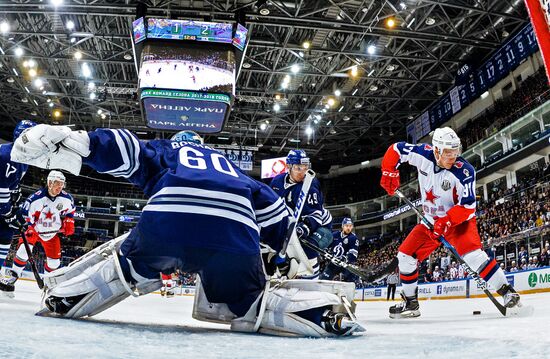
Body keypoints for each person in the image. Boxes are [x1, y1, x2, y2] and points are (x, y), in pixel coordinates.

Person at [10, 126, 363, 337]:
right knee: (252, 301)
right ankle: (321, 314)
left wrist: (83, 142)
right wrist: (289, 256)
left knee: (125, 264)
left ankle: (66, 298)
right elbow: (275, 216)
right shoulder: (234, 171)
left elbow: (127, 149)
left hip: (170, 221)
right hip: (235, 233)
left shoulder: (168, 150)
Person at [380, 127, 520, 318]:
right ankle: (411, 304)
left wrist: (447, 221)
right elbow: (396, 149)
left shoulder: (465, 171)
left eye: (455, 151)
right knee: (405, 257)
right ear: (436, 150)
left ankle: (508, 292)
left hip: (457, 221)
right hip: (430, 220)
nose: (453, 156)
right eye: (448, 152)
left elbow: (468, 206)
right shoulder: (423, 154)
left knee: (473, 257)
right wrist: (389, 172)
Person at [0, 170, 75, 295]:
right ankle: (13, 278)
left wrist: (69, 220)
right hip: (35, 230)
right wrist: (27, 227)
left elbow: (71, 211)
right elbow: (24, 216)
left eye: (62, 184)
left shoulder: (67, 198)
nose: (60, 187)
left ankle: (48, 285)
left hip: (52, 233)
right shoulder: (35, 199)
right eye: (57, 183)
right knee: (23, 251)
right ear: (49, 182)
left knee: (54, 263)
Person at [270, 149, 333, 278]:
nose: (303, 172)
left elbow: (315, 217)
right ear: (289, 167)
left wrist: (302, 229)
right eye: (299, 168)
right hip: (293, 223)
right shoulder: (277, 182)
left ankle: (312, 280)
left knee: (307, 249)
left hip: (321, 226)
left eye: (305, 167)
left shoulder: (310, 185)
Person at [0, 120, 37, 273]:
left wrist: (15, 195)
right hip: (1, 205)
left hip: (2, 206)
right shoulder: (4, 155)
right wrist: (8, 213)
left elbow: (11, 185)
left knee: (6, 235)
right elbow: (1, 189)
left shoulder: (24, 160)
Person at [319, 217, 359, 282]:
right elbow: (326, 245)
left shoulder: (353, 238)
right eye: (346, 226)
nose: (348, 228)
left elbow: (353, 253)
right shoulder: (335, 235)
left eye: (350, 226)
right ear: (342, 226)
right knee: (323, 280)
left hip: (345, 265)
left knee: (352, 278)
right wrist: (326, 252)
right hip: (333, 263)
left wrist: (347, 258)